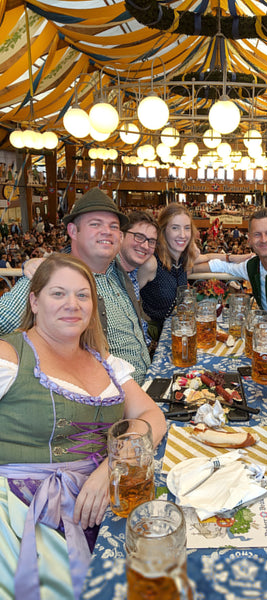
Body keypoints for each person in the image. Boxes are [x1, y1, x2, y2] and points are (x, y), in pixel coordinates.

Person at [0, 253, 166, 600]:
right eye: (58, 293)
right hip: (24, 512)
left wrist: (112, 465)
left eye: (82, 295)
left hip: (102, 498)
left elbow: (153, 417)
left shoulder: (104, 362)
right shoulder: (9, 356)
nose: (71, 304)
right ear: (34, 300)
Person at [0, 188, 152, 385]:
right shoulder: (49, 277)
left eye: (114, 226)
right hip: (101, 404)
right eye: (95, 224)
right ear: (73, 231)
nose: (107, 231)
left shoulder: (116, 269)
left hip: (144, 389)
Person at [138, 203, 199, 337]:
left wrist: (231, 258)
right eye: (175, 228)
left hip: (175, 329)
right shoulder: (151, 263)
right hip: (152, 336)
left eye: (187, 228)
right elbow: (127, 295)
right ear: (164, 230)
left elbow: (205, 260)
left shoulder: (182, 259)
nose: (183, 235)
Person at [118, 210, 159, 343]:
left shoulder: (135, 271)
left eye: (151, 241)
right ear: (121, 236)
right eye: (139, 237)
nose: (145, 246)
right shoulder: (107, 273)